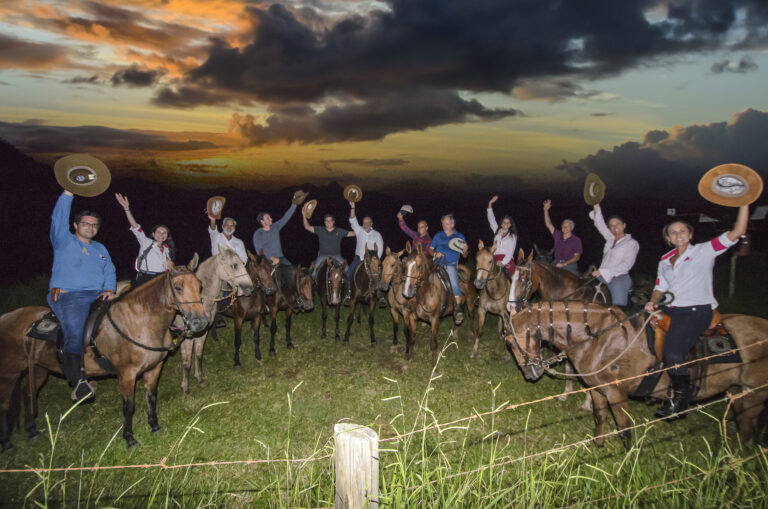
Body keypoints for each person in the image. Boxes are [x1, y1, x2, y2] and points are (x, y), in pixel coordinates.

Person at [644, 204, 749, 418]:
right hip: (671, 308)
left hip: (695, 310)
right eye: (673, 232)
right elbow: (659, 286)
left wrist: (744, 204)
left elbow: (737, 232)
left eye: (682, 230)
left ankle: (682, 400)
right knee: (642, 326)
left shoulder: (704, 250)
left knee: (673, 352)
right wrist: (652, 302)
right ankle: (653, 377)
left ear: (690, 234)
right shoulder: (665, 260)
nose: (678, 234)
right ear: (668, 238)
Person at [48, 190, 117, 402]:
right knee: (76, 331)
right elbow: (58, 220)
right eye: (86, 224)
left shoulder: (100, 248)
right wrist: (67, 194)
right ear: (76, 226)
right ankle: (77, 381)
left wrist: (110, 288)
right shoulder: (64, 241)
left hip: (98, 294)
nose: (90, 227)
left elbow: (110, 270)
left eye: (94, 225)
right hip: (70, 295)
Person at [115, 193, 175, 287]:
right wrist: (126, 208)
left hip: (162, 278)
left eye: (164, 233)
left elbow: (168, 267)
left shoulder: (167, 249)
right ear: (153, 234)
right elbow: (135, 227)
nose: (161, 235)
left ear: (167, 236)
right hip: (146, 277)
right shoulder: (146, 242)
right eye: (159, 232)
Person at [588, 205, 639, 307]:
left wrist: (602, 271)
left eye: (618, 224)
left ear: (624, 225)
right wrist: (595, 205)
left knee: (617, 308)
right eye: (611, 225)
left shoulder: (631, 243)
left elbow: (626, 265)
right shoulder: (610, 239)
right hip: (601, 275)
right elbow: (600, 225)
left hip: (618, 277)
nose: (615, 227)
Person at [429, 214, 469, 325]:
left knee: (454, 282)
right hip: (436, 263)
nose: (444, 226)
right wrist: (435, 254)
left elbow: (465, 256)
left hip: (450, 264)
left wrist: (465, 250)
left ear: (452, 224)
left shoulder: (459, 236)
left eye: (446, 224)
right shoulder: (438, 235)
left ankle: (457, 307)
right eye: (443, 224)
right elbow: (430, 250)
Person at [346, 201, 384, 304]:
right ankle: (349, 294)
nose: (365, 224)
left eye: (368, 222)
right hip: (359, 257)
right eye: (364, 222)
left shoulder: (377, 234)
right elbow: (352, 220)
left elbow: (380, 248)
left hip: (373, 260)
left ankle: (380, 295)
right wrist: (353, 207)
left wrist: (376, 259)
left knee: (381, 273)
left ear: (371, 224)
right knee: (348, 274)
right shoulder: (359, 230)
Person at [302, 206, 354, 281]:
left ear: (333, 221)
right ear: (324, 222)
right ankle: (314, 288)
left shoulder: (339, 231)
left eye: (330, 220)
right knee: (313, 272)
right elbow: (307, 227)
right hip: (323, 255)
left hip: (337, 255)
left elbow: (353, 233)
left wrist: (361, 230)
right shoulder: (320, 230)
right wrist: (304, 215)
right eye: (326, 220)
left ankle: (347, 289)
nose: (329, 222)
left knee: (347, 270)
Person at [252, 199, 297, 266]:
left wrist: (294, 205)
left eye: (270, 217)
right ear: (262, 221)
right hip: (267, 260)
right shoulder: (258, 234)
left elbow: (286, 217)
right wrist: (271, 258)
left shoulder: (275, 227)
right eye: (268, 218)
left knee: (292, 270)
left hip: (281, 258)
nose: (271, 219)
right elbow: (259, 250)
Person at [543, 199, 582, 275]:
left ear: (572, 228)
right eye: (563, 226)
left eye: (567, 226)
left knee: (573, 282)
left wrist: (564, 264)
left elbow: (577, 257)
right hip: (556, 262)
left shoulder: (576, 240)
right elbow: (549, 224)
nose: (565, 228)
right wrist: (545, 211)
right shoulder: (558, 235)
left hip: (570, 265)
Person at [487, 195, 518, 275]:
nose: (506, 225)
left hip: (507, 260)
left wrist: (503, 262)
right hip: (494, 257)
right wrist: (490, 203)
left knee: (510, 276)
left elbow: (511, 251)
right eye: (504, 223)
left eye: (508, 223)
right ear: (501, 223)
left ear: (510, 225)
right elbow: (491, 218)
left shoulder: (512, 236)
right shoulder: (497, 230)